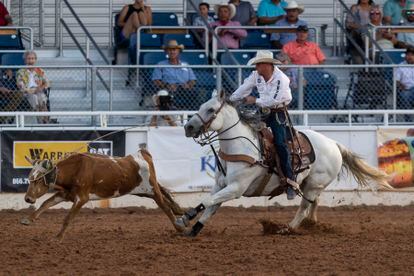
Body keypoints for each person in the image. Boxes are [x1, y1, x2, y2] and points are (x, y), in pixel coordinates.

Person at [229, 50, 297, 200]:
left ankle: (291, 180)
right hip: (263, 111)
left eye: (259, 64)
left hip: (278, 112)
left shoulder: (282, 79)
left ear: (267, 65)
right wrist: (230, 100)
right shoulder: (256, 76)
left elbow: (273, 100)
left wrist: (254, 100)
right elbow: (243, 89)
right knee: (246, 132)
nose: (257, 67)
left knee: (280, 143)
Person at [152, 40, 197, 110]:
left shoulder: (186, 64)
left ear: (178, 51)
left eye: (174, 50)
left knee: (195, 92)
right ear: (167, 52)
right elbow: (156, 80)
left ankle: (191, 114)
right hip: (168, 90)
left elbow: (193, 80)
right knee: (164, 94)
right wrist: (167, 85)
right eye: (169, 50)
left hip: (185, 90)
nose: (172, 52)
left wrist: (188, 85)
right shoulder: (161, 64)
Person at [16, 51, 50, 124]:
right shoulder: (21, 72)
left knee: (41, 98)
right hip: (27, 93)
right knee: (35, 98)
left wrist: (41, 87)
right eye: (28, 59)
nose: (31, 61)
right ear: (25, 60)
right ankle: (41, 122)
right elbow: (20, 85)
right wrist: (30, 90)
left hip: (38, 91)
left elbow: (47, 82)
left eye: (32, 58)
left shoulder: (40, 71)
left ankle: (45, 121)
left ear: (35, 60)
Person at [395, 46, 414, 115]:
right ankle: (408, 120)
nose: (410, 57)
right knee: (405, 96)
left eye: (412, 55)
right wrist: (401, 86)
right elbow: (396, 80)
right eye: (408, 54)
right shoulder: (400, 66)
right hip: (407, 90)